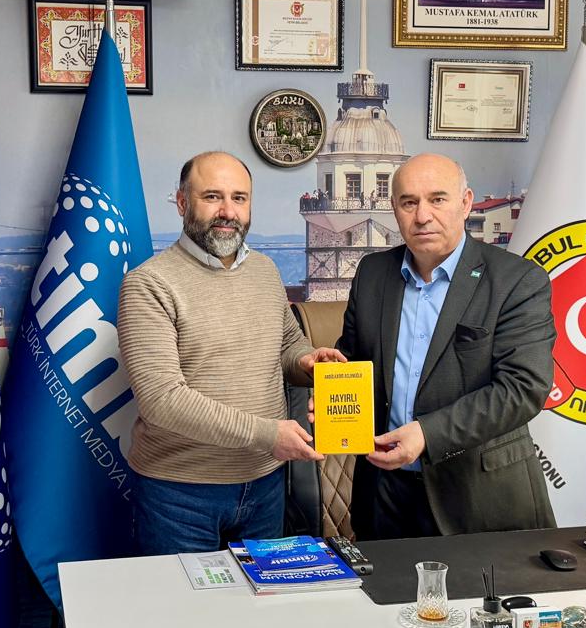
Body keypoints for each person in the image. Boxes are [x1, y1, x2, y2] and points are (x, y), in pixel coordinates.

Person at [118, 151, 346, 555]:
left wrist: (307, 361)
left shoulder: (265, 271)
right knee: (183, 598)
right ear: (182, 203)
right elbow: (161, 400)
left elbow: (287, 344)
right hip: (179, 495)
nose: (228, 211)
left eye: (239, 198)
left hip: (265, 487)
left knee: (262, 597)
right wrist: (268, 435)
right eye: (212, 197)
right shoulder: (148, 284)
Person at [333, 153, 557, 540]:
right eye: (409, 202)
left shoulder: (517, 281)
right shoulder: (372, 273)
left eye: (437, 199)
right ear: (394, 209)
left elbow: (523, 389)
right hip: (384, 495)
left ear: (466, 203)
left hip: (479, 498)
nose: (422, 216)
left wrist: (427, 434)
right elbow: (355, 363)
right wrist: (331, 391)